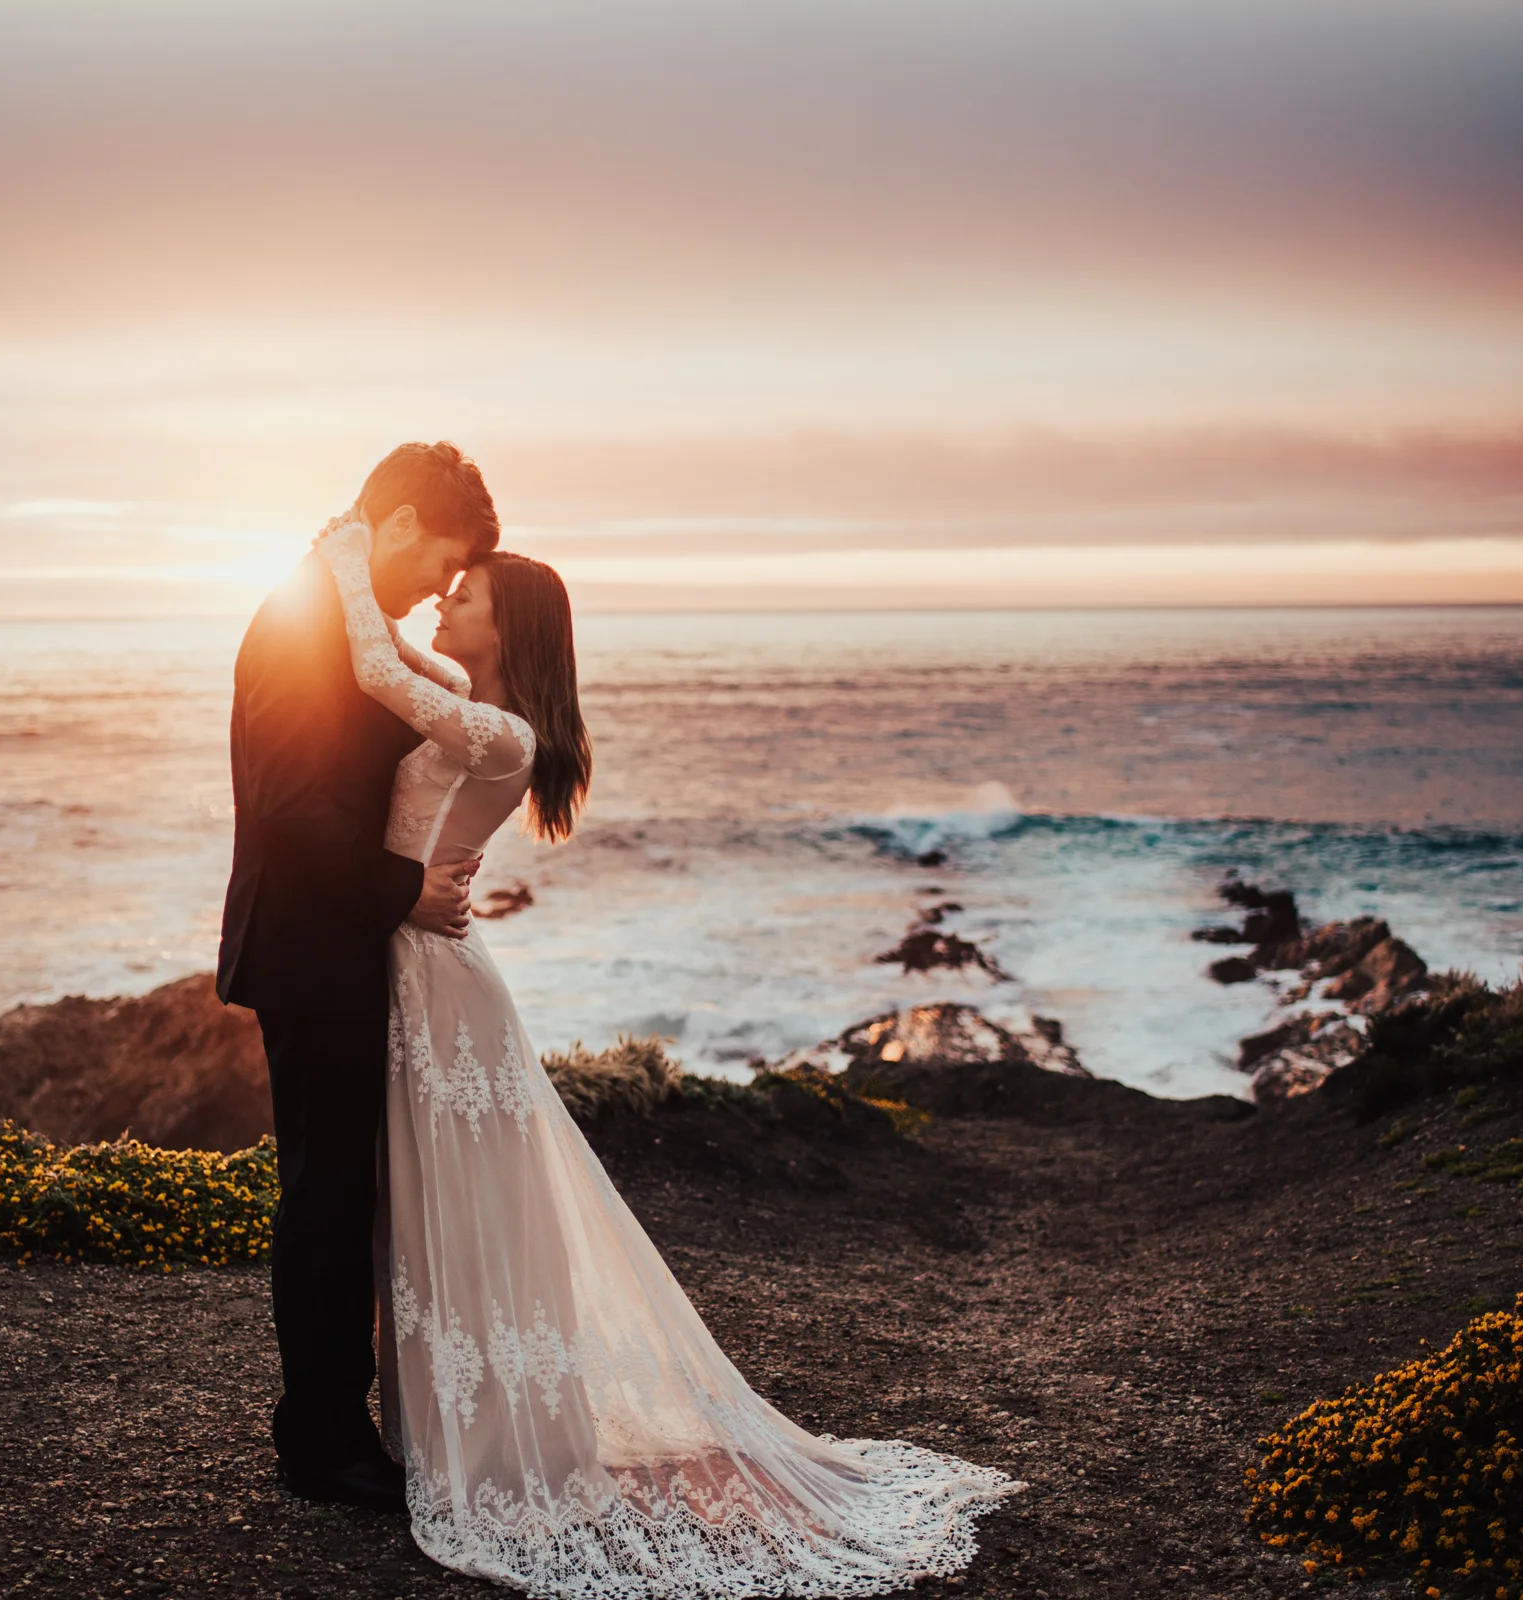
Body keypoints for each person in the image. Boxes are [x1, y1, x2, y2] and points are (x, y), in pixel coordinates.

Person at [305, 505, 1024, 1596]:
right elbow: (398, 659)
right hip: (412, 965)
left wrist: (342, 558)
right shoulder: (464, 699)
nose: (444, 600)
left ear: (510, 629)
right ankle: (461, 1424)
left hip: (439, 987)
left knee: (471, 1204)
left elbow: (370, 662)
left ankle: (506, 1436)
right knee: (428, 1203)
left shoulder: (504, 736)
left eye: (466, 594)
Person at [216, 441, 497, 1511]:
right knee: (327, 1196)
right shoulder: (304, 622)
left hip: (337, 939)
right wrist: (407, 892)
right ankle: (322, 1439)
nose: (439, 585)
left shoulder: (346, 616)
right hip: (311, 948)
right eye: (442, 561)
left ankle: (345, 1423)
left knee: (346, 1187)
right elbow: (295, 810)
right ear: (400, 522)